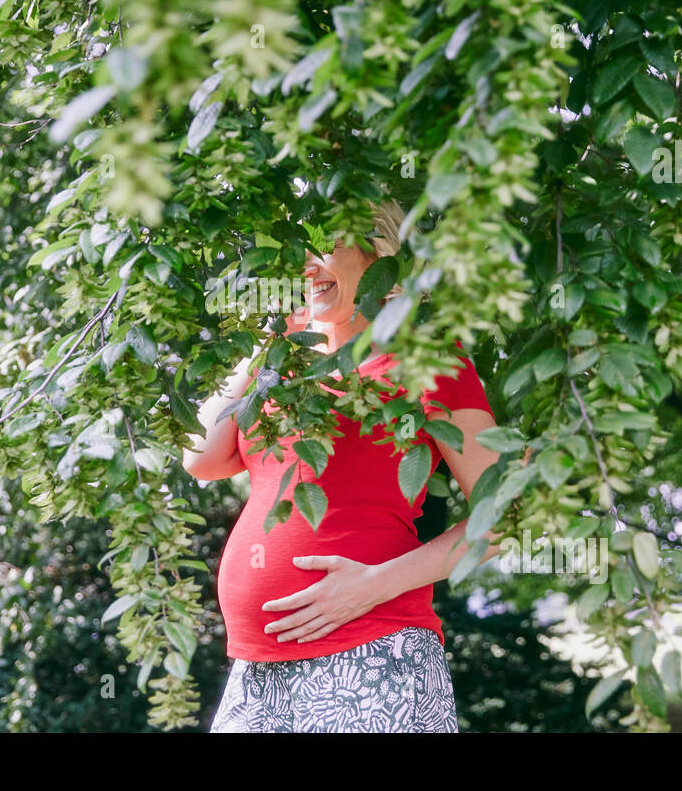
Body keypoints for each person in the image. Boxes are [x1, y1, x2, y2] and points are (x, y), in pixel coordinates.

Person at [183, 199, 503, 732]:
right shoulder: (283, 370)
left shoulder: (425, 359)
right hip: (257, 672)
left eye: (324, 244)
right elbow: (200, 457)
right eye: (295, 250)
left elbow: (507, 515)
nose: (307, 263)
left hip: (372, 652)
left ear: (378, 254)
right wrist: (270, 337)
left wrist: (376, 583)